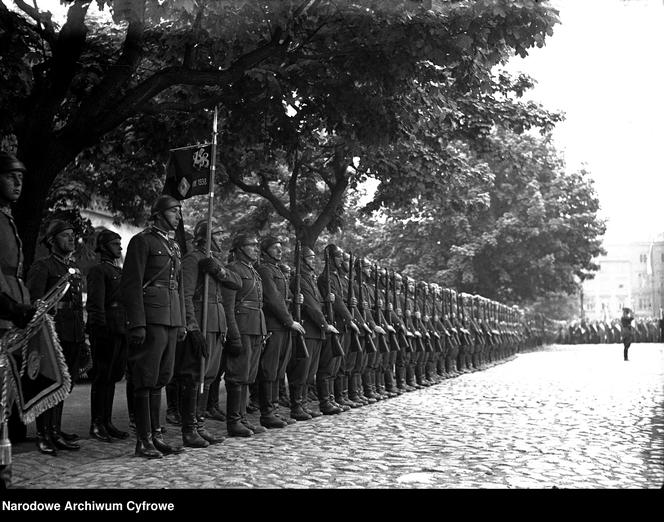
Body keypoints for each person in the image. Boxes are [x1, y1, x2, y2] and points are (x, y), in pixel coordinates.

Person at [120, 194, 186, 458]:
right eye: (174, 211)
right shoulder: (142, 241)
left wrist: (180, 321)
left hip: (170, 318)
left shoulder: (175, 247)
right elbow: (131, 284)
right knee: (145, 379)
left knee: (161, 378)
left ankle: (156, 436)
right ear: (158, 214)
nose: (178, 216)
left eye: (179, 212)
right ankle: (143, 440)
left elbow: (177, 286)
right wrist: (137, 323)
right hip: (150, 317)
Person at [176, 220, 238, 448]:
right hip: (201, 324)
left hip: (216, 322)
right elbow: (186, 295)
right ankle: (190, 429)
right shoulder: (193, 260)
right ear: (207, 236)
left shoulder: (214, 261)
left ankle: (200, 425)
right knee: (194, 377)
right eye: (218, 234)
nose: (222, 239)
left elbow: (236, 282)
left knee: (209, 377)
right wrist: (191, 327)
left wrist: (218, 270)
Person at [26, 219, 85, 455]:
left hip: (72, 333)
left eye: (72, 235)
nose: (71, 239)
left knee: (63, 385)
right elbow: (35, 303)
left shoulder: (73, 269)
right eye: (65, 235)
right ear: (51, 241)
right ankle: (43, 434)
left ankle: (55, 430)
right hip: (51, 333)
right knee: (48, 384)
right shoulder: (43, 267)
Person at [0, 151, 37, 488]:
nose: (18, 183)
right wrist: (10, 307)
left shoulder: (6, 218)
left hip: (9, 323)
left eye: (21, 177)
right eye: (11, 176)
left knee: (6, 401)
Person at [255, 236, 306, 428]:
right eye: (275, 248)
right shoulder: (265, 270)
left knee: (278, 370)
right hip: (273, 325)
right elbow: (273, 299)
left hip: (282, 327)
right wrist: (289, 320)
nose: (279, 251)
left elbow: (284, 296)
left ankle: (274, 410)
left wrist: (295, 298)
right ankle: (267, 413)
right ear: (266, 250)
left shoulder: (276, 270)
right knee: (269, 369)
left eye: (280, 248)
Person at [221, 232, 268, 437]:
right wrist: (234, 335)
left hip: (256, 327)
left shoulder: (254, 272)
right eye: (252, 245)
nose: (256, 249)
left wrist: (263, 329)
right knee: (237, 375)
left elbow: (259, 304)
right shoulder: (233, 269)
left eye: (257, 246)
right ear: (240, 248)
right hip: (241, 327)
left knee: (249, 375)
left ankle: (243, 419)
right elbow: (228, 306)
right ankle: (234, 422)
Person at [86, 229, 129, 442]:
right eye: (114, 244)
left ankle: (107, 421)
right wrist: (99, 329)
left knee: (113, 377)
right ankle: (96, 423)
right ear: (103, 247)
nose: (119, 248)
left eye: (120, 244)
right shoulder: (98, 271)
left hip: (120, 328)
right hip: (105, 329)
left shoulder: (119, 272)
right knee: (102, 377)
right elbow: (95, 304)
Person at [286, 245, 337, 420]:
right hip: (307, 331)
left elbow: (318, 304)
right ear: (301, 260)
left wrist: (326, 301)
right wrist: (324, 325)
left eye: (314, 257)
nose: (313, 260)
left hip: (315, 332)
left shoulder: (310, 280)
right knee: (301, 371)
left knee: (309, 372)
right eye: (310, 257)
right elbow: (310, 306)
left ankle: (304, 405)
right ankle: (297, 406)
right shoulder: (299, 280)